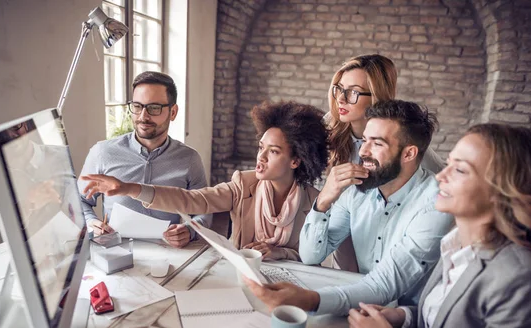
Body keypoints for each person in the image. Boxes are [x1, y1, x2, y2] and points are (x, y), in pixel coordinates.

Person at [347, 124, 531, 328]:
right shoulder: (457, 241)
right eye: (449, 163)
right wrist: (402, 317)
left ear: (503, 190)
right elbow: (448, 320)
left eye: (460, 169)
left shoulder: (524, 279)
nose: (441, 176)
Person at [244, 100, 454, 313]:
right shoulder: (357, 189)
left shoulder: (437, 204)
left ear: (408, 154)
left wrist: (309, 300)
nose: (363, 151)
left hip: (411, 323)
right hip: (361, 308)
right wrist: (324, 200)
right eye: (364, 140)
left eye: (377, 143)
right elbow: (311, 256)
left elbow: (384, 286)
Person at [81, 101, 328, 261]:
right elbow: (191, 200)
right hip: (242, 278)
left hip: (291, 284)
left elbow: (312, 257)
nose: (260, 158)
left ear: (296, 160)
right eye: (260, 147)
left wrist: (278, 252)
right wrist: (129, 188)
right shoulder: (243, 184)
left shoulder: (315, 201)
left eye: (273, 152)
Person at [325, 54, 443, 271]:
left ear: (376, 97)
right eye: (339, 88)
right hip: (337, 226)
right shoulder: (329, 127)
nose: (341, 99)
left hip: (381, 230)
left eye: (353, 92)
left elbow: (445, 180)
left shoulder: (407, 147)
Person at [78, 71, 212, 248]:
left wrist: (189, 230)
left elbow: (204, 209)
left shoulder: (189, 159)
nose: (143, 117)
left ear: (173, 112)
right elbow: (79, 201)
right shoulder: (102, 152)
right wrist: (90, 222)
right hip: (114, 251)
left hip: (168, 254)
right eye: (137, 106)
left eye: (154, 108)